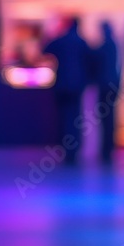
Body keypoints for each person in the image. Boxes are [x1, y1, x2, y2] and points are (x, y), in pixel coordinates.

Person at [43, 16, 94, 164]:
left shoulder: (61, 40)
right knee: (75, 119)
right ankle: (73, 151)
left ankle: (65, 150)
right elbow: (92, 62)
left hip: (62, 86)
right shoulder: (82, 42)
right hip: (77, 86)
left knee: (63, 117)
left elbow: (45, 49)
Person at [92, 21, 122, 164]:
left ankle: (107, 150)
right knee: (109, 118)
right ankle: (108, 149)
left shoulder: (105, 46)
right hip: (112, 85)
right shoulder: (114, 45)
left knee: (106, 119)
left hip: (105, 86)